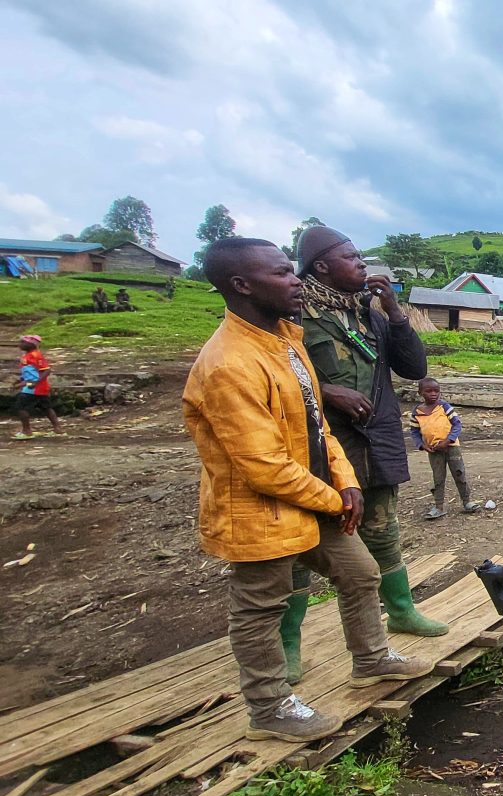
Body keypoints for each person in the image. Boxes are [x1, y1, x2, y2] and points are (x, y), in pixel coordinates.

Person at [183, 238, 432, 741]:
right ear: (242, 286)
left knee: (361, 573)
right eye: (281, 274)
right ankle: (269, 708)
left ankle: (372, 658)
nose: (295, 280)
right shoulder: (229, 364)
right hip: (263, 510)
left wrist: (344, 480)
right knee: (260, 607)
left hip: (314, 495)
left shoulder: (287, 342)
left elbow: (316, 425)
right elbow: (263, 466)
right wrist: (332, 496)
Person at [281, 225, 439, 688]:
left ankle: (403, 612)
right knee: (298, 544)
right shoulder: (292, 315)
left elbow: (415, 368)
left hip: (374, 441)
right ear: (323, 266)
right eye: (352, 258)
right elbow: (273, 375)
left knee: (383, 532)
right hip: (319, 445)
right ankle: (289, 642)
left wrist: (394, 312)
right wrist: (326, 391)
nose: (363, 265)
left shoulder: (368, 314)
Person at [409, 378, 481, 520]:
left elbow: (457, 425)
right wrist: (422, 445)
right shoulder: (417, 412)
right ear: (420, 393)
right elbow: (414, 431)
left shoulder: (444, 407)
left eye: (436, 391)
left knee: (459, 473)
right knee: (438, 478)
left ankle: (467, 501)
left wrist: (448, 440)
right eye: (428, 391)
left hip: (451, 447)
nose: (433, 394)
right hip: (434, 450)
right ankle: (439, 506)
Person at [14, 335, 62, 439]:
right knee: (46, 407)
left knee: (21, 407)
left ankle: (26, 431)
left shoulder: (36, 355)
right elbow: (30, 372)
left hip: (34, 388)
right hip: (37, 387)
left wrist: (36, 382)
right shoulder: (27, 356)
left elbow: (46, 370)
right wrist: (21, 380)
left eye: (23, 342)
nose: (20, 344)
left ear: (31, 344)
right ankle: (57, 429)